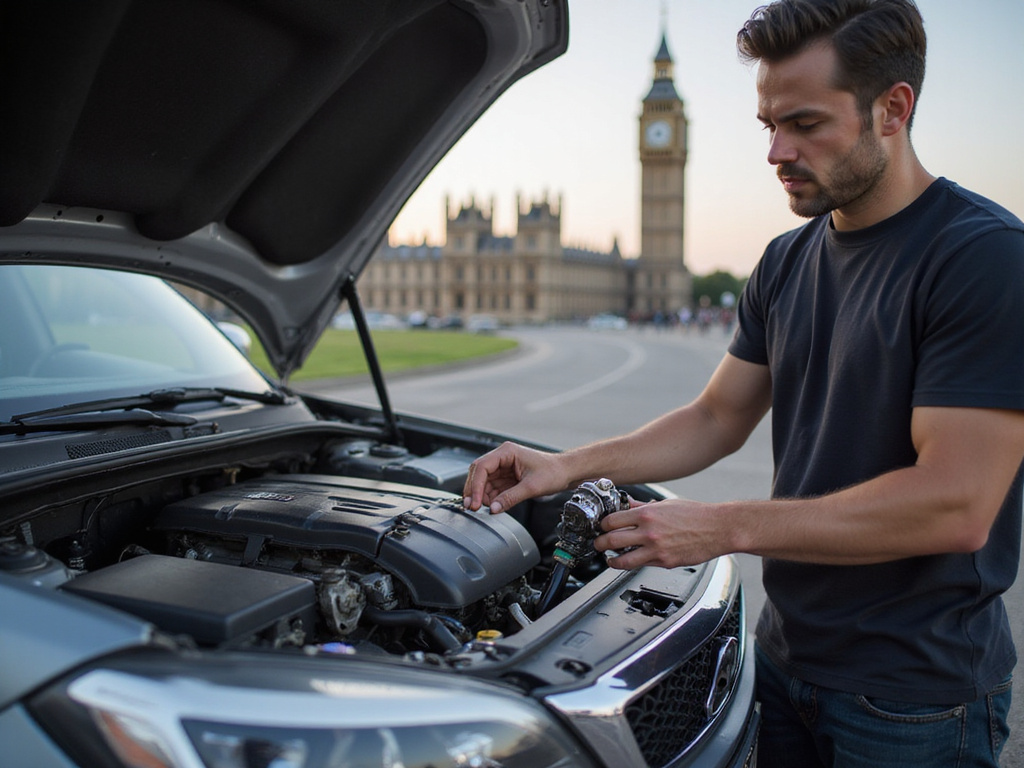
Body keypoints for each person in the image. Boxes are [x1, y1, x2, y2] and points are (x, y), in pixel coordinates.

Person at [462, 0, 1024, 765]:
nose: (776, 152)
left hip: (911, 698)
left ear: (893, 109)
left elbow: (957, 505)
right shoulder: (786, 262)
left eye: (805, 124)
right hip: (783, 661)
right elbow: (714, 418)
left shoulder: (981, 259)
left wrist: (722, 527)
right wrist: (566, 465)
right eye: (768, 126)